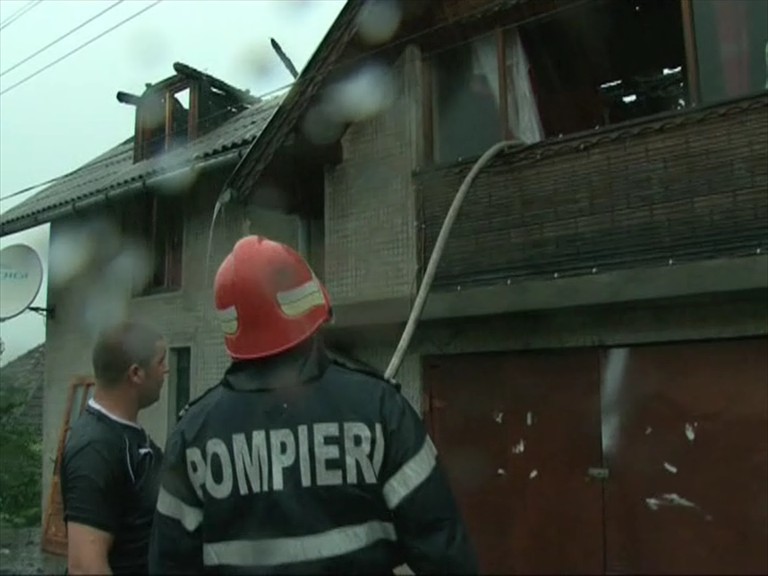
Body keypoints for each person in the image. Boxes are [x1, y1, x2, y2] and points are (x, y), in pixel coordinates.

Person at [148, 235, 478, 574]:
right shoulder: (380, 410)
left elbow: (169, 564)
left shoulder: (193, 435)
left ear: (231, 327)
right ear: (311, 305)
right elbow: (443, 550)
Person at [61, 321, 168, 575]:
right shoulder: (94, 450)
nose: (166, 370)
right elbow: (85, 567)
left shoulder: (127, 435)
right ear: (136, 374)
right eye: (160, 361)